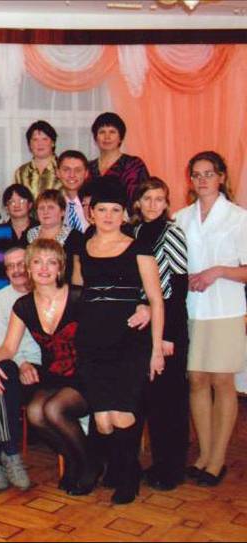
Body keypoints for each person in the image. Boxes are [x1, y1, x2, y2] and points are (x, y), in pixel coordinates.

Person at [72, 178, 165, 505]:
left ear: (124, 213)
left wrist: (156, 349)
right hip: (92, 341)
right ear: (91, 213)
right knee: (102, 419)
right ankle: (119, 466)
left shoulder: (139, 246)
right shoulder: (83, 247)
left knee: (122, 414)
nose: (109, 216)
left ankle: (128, 477)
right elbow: (79, 292)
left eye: (115, 210)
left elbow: (156, 300)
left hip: (129, 340)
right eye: (102, 210)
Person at [0, 240, 95, 495]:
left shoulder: (79, 297)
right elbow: (8, 347)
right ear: (29, 268)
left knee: (53, 409)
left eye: (51, 262)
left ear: (60, 268)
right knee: (35, 413)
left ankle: (88, 464)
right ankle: (73, 459)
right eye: (37, 262)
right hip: (54, 375)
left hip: (86, 375)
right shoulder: (23, 305)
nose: (44, 268)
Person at [175, 151, 247, 488]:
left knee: (222, 381)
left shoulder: (238, 217)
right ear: (190, 180)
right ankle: (203, 455)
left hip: (225, 310)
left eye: (209, 173)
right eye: (197, 174)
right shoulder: (180, 218)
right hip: (192, 310)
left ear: (221, 177)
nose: (202, 180)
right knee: (197, 380)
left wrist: (217, 271)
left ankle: (217, 459)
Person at [131, 177, 189, 491]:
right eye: (148, 198)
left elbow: (178, 289)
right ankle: (157, 463)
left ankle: (171, 469)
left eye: (159, 199)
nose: (153, 204)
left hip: (169, 326)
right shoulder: (136, 232)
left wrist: (168, 336)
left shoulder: (171, 232)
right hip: (146, 323)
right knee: (151, 400)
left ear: (167, 203)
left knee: (170, 402)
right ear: (138, 202)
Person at [0, 247, 41, 489]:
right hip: (15, 360)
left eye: (21, 264)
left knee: (2, 384)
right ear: (5, 271)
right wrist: (22, 363)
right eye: (10, 266)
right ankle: (11, 454)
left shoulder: (44, 291)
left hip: (43, 363)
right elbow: (0, 343)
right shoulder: (1, 298)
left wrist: (29, 363)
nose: (17, 270)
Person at [87, 112, 149, 207]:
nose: (107, 137)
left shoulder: (134, 165)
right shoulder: (88, 167)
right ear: (95, 138)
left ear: (121, 138)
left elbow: (143, 198)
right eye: (102, 132)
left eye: (112, 132)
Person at [27, 189, 84, 284]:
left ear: (62, 212)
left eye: (51, 207)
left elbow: (77, 273)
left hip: (65, 289)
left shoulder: (75, 237)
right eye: (41, 208)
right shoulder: (29, 234)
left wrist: (75, 292)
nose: (45, 212)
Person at [13, 120, 60, 197]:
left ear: (53, 143)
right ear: (29, 145)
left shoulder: (63, 169)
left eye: (44, 139)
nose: (40, 143)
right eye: (35, 139)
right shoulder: (21, 172)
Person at [57, 150, 91, 234]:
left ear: (86, 173)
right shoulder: (55, 203)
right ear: (58, 173)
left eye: (78, 170)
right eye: (66, 170)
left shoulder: (95, 203)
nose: (72, 175)